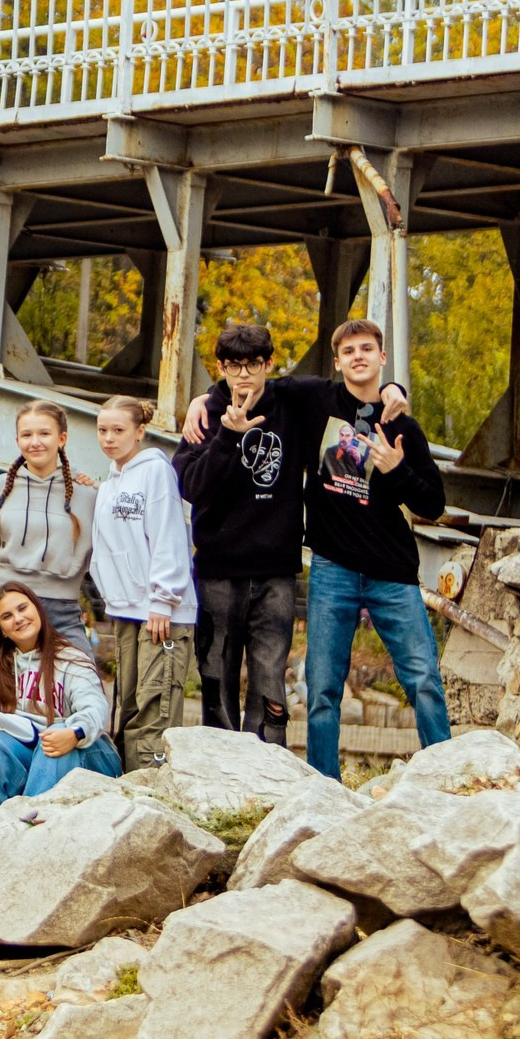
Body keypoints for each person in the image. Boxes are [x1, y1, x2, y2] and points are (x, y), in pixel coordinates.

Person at [182, 317, 447, 776]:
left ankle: (445, 775)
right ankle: (322, 784)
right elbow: (245, 383)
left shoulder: (400, 425)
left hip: (388, 572)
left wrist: (396, 467)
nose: (359, 357)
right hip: (327, 568)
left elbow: (434, 502)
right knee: (319, 690)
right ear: (337, 361)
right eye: (349, 351)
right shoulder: (310, 399)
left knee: (423, 679)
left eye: (368, 349)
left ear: (382, 357)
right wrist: (201, 400)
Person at [173, 321, 302, 743]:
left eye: (252, 364)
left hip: (275, 573)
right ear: (221, 368)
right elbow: (190, 487)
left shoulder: (291, 403)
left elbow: (345, 389)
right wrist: (226, 435)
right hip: (217, 572)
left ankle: (270, 780)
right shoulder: (206, 416)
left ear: (268, 364)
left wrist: (395, 388)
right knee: (216, 684)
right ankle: (221, 785)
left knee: (270, 684)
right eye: (233, 365)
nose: (243, 374)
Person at [89, 397, 197, 769]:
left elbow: (168, 535)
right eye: (103, 430)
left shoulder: (155, 472)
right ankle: (129, 788)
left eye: (118, 430)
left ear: (139, 432)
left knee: (156, 705)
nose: (108, 438)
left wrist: (163, 600)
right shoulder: (109, 484)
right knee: (130, 705)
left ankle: (152, 792)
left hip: (160, 611)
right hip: (126, 610)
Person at [0, 582, 119, 818]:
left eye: (23, 608)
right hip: (34, 755)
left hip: (86, 755)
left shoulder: (69, 659)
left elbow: (95, 707)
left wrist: (75, 733)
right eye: (7, 616)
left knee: (57, 731)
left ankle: (27, 828)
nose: (18, 618)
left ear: (38, 610)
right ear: (2, 630)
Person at [0, 400, 97, 651]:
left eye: (44, 433)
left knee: (86, 682)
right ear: (17, 440)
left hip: (62, 609)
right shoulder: (1, 487)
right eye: (27, 435)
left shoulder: (86, 494)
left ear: (61, 438)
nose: (35, 442)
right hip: (8, 604)